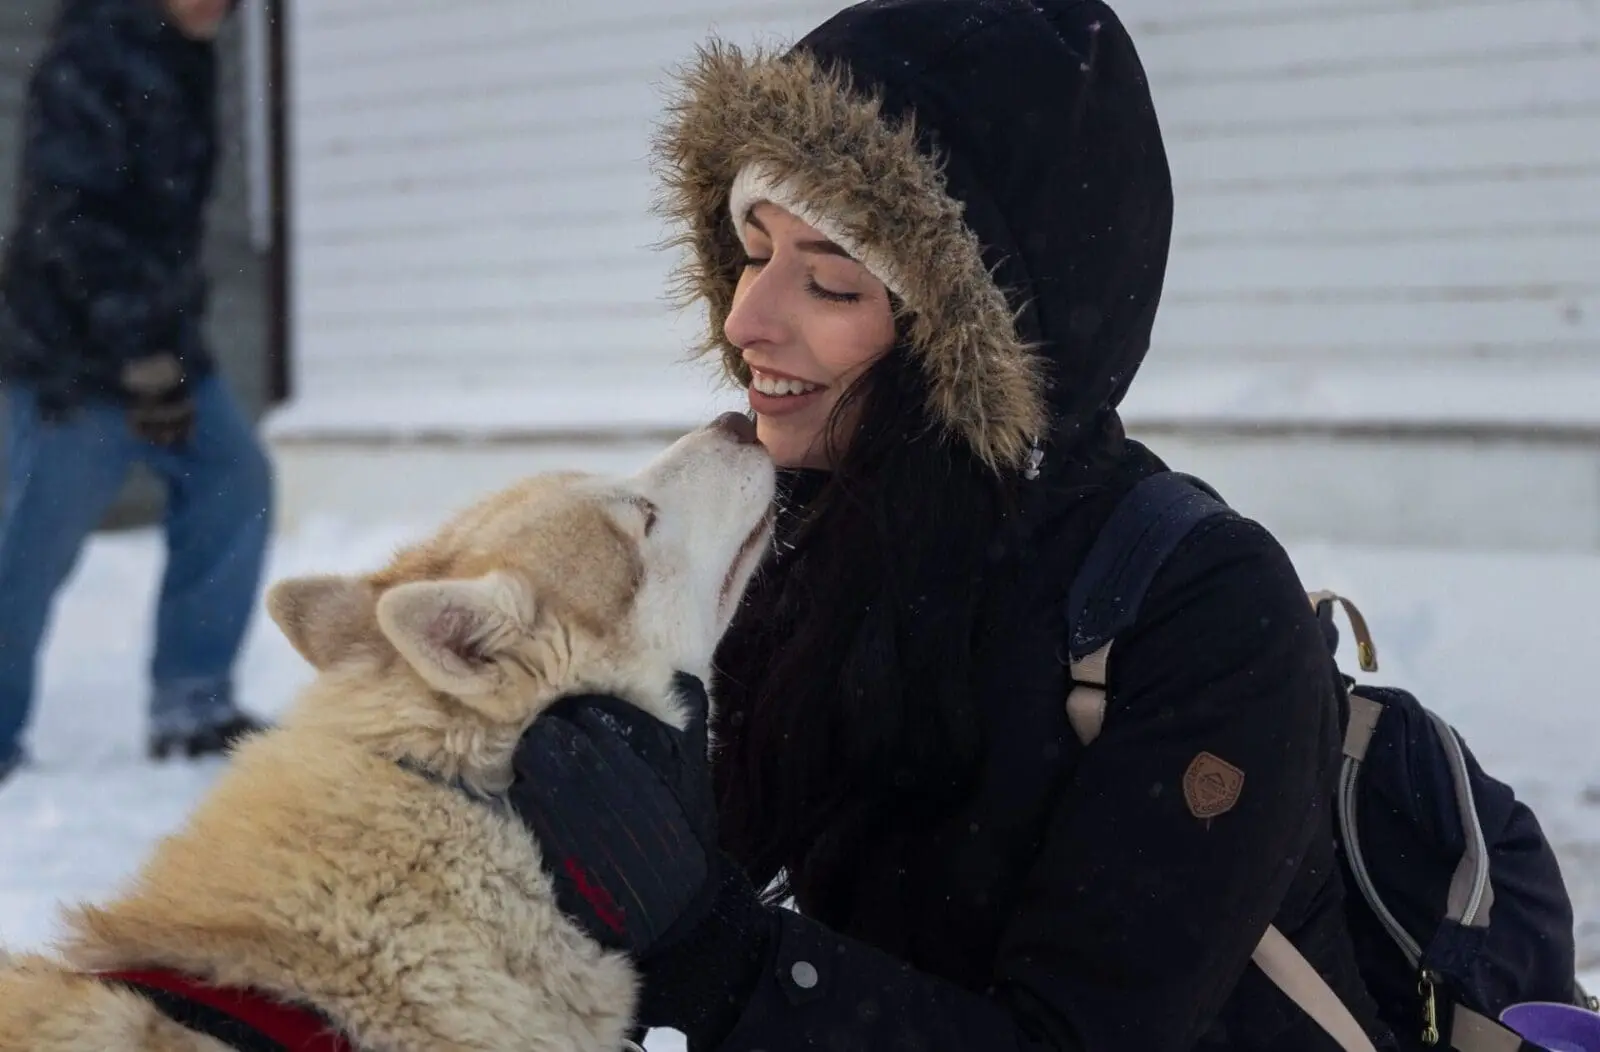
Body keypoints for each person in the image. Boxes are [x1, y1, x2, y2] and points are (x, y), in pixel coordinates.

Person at [508, 1, 1395, 1049]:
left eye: (831, 277)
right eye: (752, 251)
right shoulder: (778, 542)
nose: (748, 319)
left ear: (979, 334)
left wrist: (722, 955)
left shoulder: (1194, 613)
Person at [0, 0, 271, 783]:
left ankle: (193, 702)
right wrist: (143, 358)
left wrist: (167, 347)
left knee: (234, 482)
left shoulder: (186, 56)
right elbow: (75, 227)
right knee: (32, 551)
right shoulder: (93, 58)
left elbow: (168, 227)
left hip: (163, 342)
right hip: (72, 360)